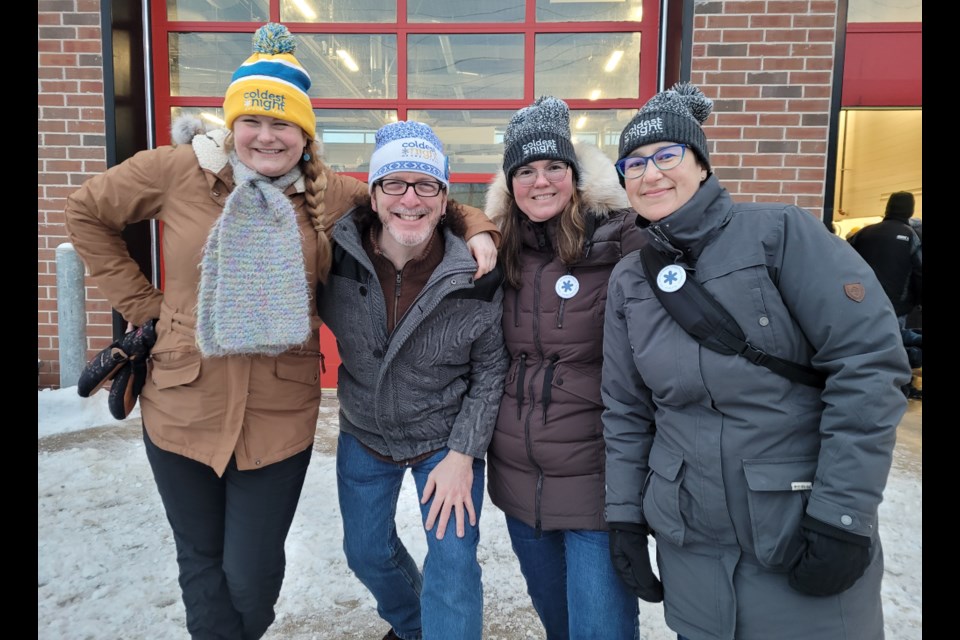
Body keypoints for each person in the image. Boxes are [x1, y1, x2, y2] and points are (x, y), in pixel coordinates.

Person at [64, 24, 497, 640]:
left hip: (276, 411)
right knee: (201, 565)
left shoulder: (330, 193)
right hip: (183, 400)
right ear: (232, 123)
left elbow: (416, 195)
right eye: (252, 122)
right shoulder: (176, 170)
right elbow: (85, 210)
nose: (266, 136)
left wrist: (480, 228)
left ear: (304, 133)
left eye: (283, 125)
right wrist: (143, 306)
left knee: (252, 574)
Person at [600, 82, 912, 640]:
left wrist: (842, 517)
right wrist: (625, 514)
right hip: (691, 540)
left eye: (667, 156)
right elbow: (626, 408)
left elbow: (867, 364)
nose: (650, 174)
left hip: (795, 531)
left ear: (701, 164)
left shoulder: (780, 234)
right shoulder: (631, 279)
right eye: (634, 164)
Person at [316, 121, 509, 640]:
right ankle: (411, 625)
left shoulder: (475, 269)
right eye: (395, 184)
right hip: (365, 433)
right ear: (374, 196)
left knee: (453, 565)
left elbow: (491, 369)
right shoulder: (334, 255)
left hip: (443, 441)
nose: (411, 199)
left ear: (445, 200)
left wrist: (463, 454)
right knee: (366, 554)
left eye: (427, 185)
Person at [483, 96, 650, 639]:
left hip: (596, 483)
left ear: (575, 176)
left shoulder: (621, 238)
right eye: (525, 170)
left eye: (554, 166)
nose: (541, 181)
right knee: (560, 626)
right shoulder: (499, 249)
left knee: (599, 630)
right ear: (510, 184)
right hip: (518, 481)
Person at [847, 191, 922, 328]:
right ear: (910, 211)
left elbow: (843, 262)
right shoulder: (911, 236)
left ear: (888, 208)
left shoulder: (863, 233)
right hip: (895, 308)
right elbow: (919, 273)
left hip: (860, 304)